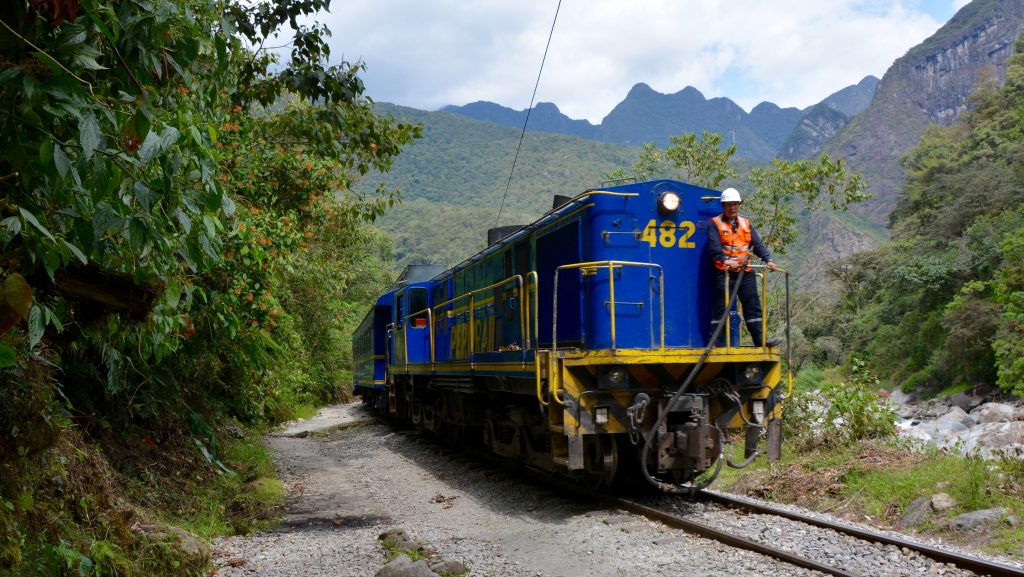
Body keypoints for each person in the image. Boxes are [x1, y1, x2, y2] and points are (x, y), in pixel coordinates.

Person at [707, 187, 781, 347]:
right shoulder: (715, 224)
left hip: (745, 273)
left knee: (752, 305)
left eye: (735, 204)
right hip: (725, 273)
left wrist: (768, 259)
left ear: (739, 205)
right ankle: (714, 343)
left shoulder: (745, 223)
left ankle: (761, 340)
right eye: (728, 204)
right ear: (723, 206)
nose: (732, 207)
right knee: (721, 307)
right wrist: (726, 261)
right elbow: (714, 248)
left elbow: (757, 244)